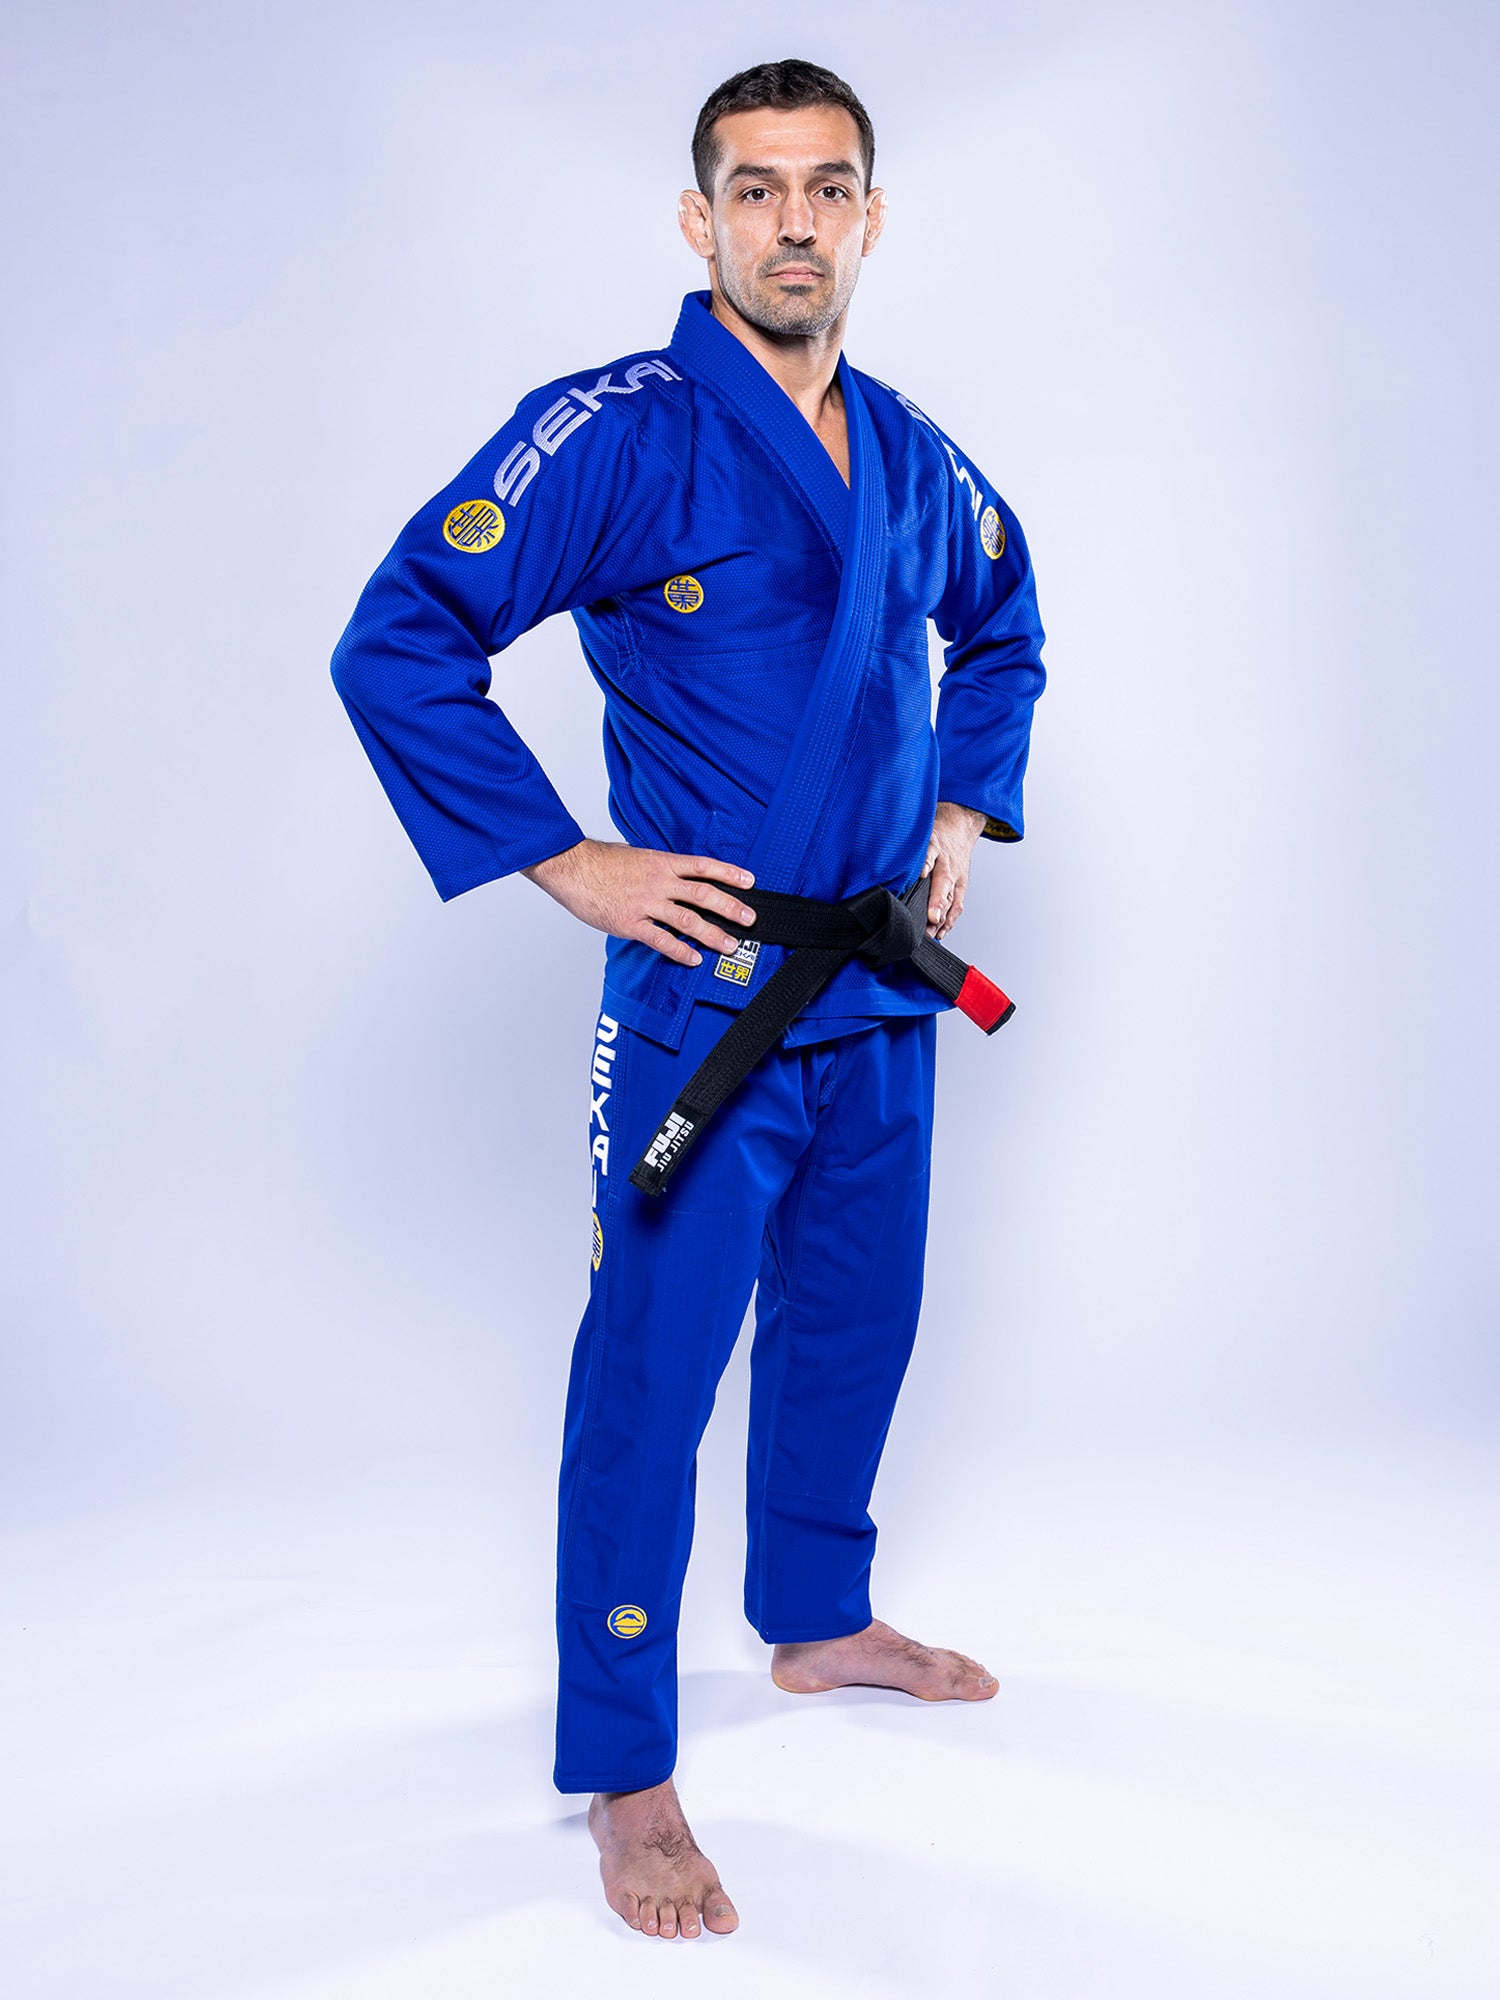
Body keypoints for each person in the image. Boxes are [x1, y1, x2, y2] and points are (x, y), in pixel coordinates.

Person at [331, 57, 1045, 1940]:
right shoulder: (617, 431)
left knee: (857, 1323)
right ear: (698, 217)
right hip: (707, 992)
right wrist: (569, 862)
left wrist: (965, 798)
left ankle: (814, 1617)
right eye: (757, 188)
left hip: (881, 982)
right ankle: (626, 1769)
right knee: (651, 1373)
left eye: (829, 189)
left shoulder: (908, 447)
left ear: (871, 219)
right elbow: (399, 637)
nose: (794, 221)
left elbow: (1003, 610)